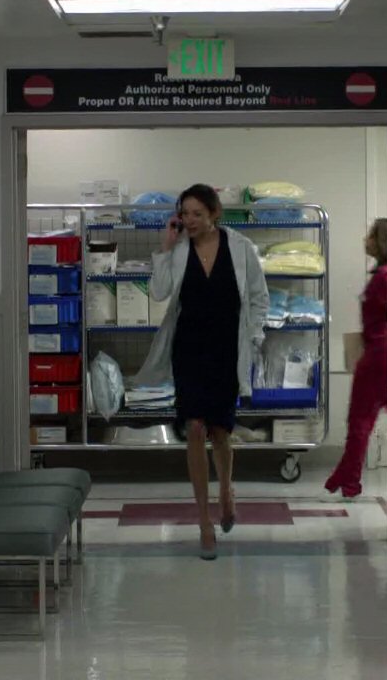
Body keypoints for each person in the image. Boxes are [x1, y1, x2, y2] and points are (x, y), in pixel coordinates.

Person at [136, 184, 269, 560]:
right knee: (194, 427)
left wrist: (254, 335)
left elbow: (259, 297)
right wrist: (165, 248)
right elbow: (159, 292)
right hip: (190, 349)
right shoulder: (179, 249)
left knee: (220, 431)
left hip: (227, 349)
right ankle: (204, 521)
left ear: (214, 213)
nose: (190, 220)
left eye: (197, 213)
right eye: (185, 214)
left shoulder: (240, 248)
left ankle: (226, 490)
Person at [325, 219, 387, 499]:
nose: (366, 240)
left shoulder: (385, 277)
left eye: (372, 235)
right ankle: (346, 476)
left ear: (383, 241)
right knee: (365, 420)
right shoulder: (385, 275)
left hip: (378, 355)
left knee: (360, 421)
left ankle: (348, 479)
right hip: (381, 353)